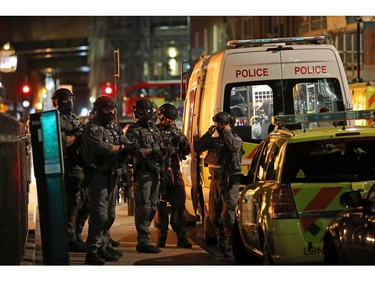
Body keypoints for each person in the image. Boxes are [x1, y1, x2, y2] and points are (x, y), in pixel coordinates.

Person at [82, 95, 129, 265]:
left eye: (113, 109)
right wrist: (121, 148)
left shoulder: (113, 127)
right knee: (99, 215)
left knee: (109, 215)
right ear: (98, 110)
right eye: (107, 109)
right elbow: (101, 148)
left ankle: (102, 247)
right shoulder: (92, 127)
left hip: (112, 174)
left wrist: (126, 148)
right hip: (98, 176)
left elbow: (126, 143)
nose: (111, 112)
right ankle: (92, 251)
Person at [194, 111, 244, 258]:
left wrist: (227, 131)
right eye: (217, 124)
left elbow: (234, 147)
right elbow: (198, 147)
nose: (219, 127)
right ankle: (221, 238)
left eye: (221, 124)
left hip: (229, 181)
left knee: (228, 214)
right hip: (215, 181)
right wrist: (208, 134)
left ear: (228, 124)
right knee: (214, 214)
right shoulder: (214, 140)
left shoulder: (235, 138)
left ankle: (229, 243)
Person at [125, 98, 165, 253]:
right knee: (144, 207)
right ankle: (143, 240)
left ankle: (146, 237)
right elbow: (132, 151)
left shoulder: (154, 129)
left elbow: (161, 146)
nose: (150, 112)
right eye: (147, 110)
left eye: (151, 109)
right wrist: (151, 150)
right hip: (143, 173)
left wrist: (161, 151)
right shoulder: (133, 130)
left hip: (155, 171)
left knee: (153, 206)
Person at [51, 88, 87, 253]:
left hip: (82, 166)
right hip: (70, 167)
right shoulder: (56, 120)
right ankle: (70, 238)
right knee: (72, 205)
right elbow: (61, 141)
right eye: (64, 99)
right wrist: (77, 137)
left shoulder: (75, 119)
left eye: (70, 98)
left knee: (84, 204)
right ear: (56, 103)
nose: (69, 102)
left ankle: (77, 235)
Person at [153, 103, 192, 249]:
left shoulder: (177, 132)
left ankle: (181, 237)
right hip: (159, 174)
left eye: (171, 119)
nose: (169, 122)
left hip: (174, 174)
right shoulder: (154, 132)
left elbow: (186, 151)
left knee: (179, 207)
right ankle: (161, 237)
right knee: (160, 208)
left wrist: (182, 142)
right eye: (167, 119)